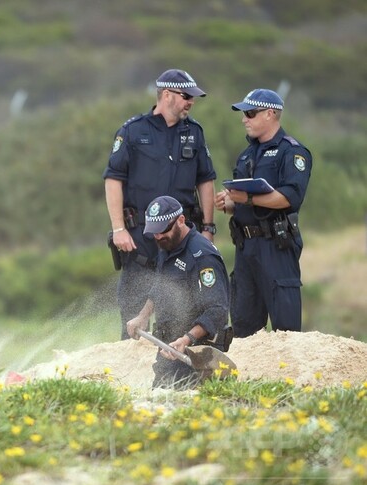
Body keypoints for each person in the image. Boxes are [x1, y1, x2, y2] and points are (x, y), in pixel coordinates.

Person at [103, 68, 218, 339]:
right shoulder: (132, 131)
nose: (191, 101)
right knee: (133, 316)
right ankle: (127, 375)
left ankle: (175, 375)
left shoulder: (195, 133)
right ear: (166, 95)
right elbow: (113, 179)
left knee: (180, 314)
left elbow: (206, 180)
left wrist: (209, 228)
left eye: (193, 97)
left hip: (181, 236)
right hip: (140, 236)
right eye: (186, 96)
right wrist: (118, 228)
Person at [214, 89, 312, 337]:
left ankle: (285, 375)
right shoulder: (247, 153)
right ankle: (246, 375)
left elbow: (290, 197)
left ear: (270, 114)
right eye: (243, 114)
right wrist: (231, 203)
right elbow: (249, 201)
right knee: (243, 326)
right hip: (246, 247)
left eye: (250, 113)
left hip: (275, 246)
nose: (244, 119)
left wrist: (246, 197)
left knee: (285, 327)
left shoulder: (292, 152)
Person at [126, 196, 230, 389]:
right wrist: (142, 316)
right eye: (154, 232)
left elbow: (217, 310)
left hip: (196, 352)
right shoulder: (168, 245)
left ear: (180, 220)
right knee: (158, 401)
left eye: (163, 230)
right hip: (169, 346)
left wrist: (186, 339)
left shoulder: (202, 256)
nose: (158, 237)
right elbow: (160, 286)